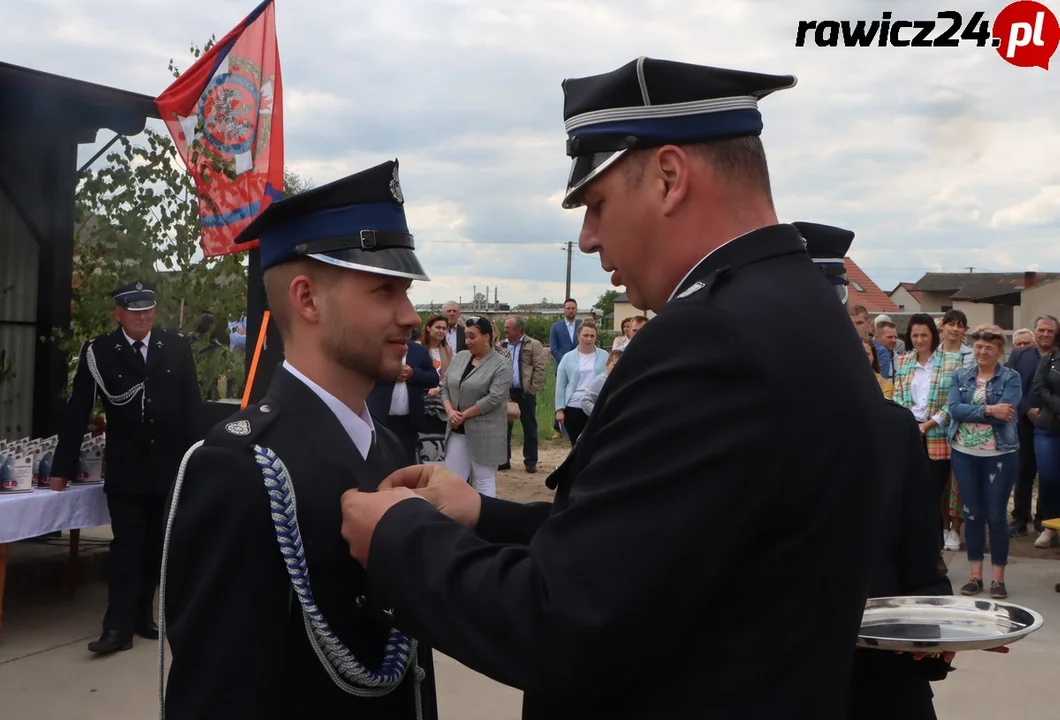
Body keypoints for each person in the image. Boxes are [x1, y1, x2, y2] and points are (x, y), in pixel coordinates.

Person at [341, 58, 887, 718]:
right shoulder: (797, 308)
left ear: (669, 177)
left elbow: (569, 622)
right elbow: (658, 544)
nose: (589, 238)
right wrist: (485, 517)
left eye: (596, 205)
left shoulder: (711, 340)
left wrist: (398, 538)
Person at [160, 160, 438, 720]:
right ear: (307, 300)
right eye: (385, 290)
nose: (410, 315)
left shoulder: (385, 448)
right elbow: (218, 694)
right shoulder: (242, 468)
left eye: (405, 291)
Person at [794, 221, 953, 719]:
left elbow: (918, 549)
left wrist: (933, 631)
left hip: (879, 664)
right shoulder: (737, 422)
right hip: (786, 668)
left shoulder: (892, 427)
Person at [49, 281, 201, 654]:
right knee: (127, 547)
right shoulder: (99, 353)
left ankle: (141, 617)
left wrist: (199, 462)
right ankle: (116, 628)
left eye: (147, 310)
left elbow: (191, 410)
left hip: (168, 467)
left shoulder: (176, 347)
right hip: (127, 468)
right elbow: (77, 412)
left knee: (155, 548)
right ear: (118, 314)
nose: (142, 317)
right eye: (133, 311)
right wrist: (61, 466)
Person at [948, 324, 1022, 599]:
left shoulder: (1011, 378)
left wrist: (974, 412)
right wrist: (989, 409)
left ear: (1000, 350)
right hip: (964, 454)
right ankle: (975, 576)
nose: (982, 351)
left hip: (1000, 455)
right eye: (978, 346)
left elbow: (1009, 411)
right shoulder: (960, 375)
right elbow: (954, 408)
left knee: (996, 516)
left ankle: (998, 580)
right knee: (972, 514)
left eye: (989, 347)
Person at [366, 336, 439, 463]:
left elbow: (433, 378)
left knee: (406, 460)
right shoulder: (377, 347)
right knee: (381, 460)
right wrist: (390, 374)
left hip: (409, 421)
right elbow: (363, 373)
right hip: (380, 418)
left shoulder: (419, 350)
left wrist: (413, 374)